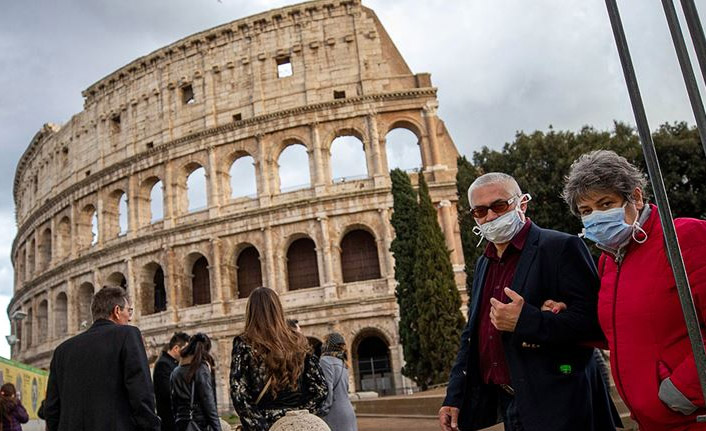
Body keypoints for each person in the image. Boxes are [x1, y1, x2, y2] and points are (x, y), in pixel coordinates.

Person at [439, 172, 619, 431]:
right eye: (479, 211)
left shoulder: (560, 247)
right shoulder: (483, 263)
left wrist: (528, 320)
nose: (490, 217)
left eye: (499, 206)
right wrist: (455, 396)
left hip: (561, 403)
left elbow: (596, 323)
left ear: (522, 204)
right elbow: (473, 336)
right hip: (510, 402)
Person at [557, 149, 706, 430]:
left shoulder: (685, 237)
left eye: (605, 203)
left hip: (691, 418)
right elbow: (623, 332)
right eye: (586, 211)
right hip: (650, 421)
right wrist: (562, 316)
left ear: (635, 198)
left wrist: (682, 392)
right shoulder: (608, 260)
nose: (596, 216)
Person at [44, 286, 161, 431]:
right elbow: (141, 393)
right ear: (117, 311)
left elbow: (51, 408)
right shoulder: (127, 335)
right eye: (129, 311)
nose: (130, 317)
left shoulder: (62, 351)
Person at [229, 287, 327, 431]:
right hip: (298, 425)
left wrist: (260, 427)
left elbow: (239, 392)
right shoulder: (298, 340)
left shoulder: (245, 343)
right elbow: (321, 389)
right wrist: (299, 416)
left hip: (265, 422)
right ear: (278, 309)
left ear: (251, 311)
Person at [170, 333, 222, 431]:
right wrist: (217, 428)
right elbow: (208, 402)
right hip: (198, 423)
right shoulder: (201, 369)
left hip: (181, 423)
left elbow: (174, 403)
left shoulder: (175, 371)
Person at [318, 332, 357, 431]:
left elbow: (328, 390)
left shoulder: (325, 361)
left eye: (324, 342)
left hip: (335, 412)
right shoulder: (343, 362)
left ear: (328, 345)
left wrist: (321, 411)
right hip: (348, 410)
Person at [154, 332, 190, 431]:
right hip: (170, 420)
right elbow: (168, 392)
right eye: (185, 350)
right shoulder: (163, 364)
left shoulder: (173, 363)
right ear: (176, 348)